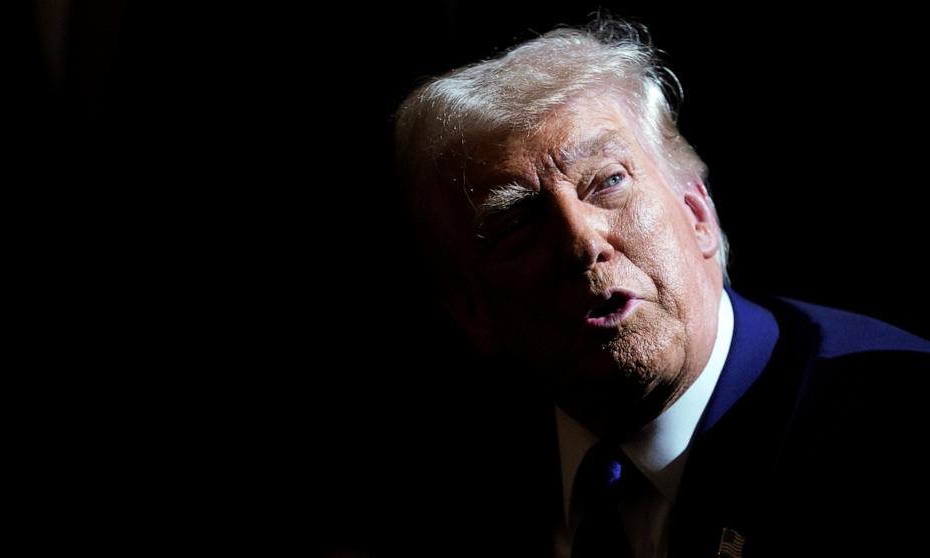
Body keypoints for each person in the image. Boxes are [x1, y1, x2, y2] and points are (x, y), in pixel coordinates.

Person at [385, 17, 930, 558]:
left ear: (697, 213)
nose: (582, 241)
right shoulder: (433, 489)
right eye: (517, 223)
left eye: (608, 181)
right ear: (472, 311)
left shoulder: (894, 415)